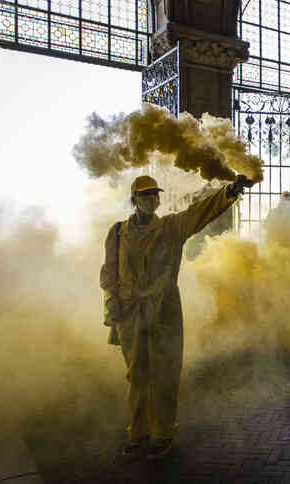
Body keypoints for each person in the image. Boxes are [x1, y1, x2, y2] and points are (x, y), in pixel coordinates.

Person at [100, 174, 252, 460]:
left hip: (164, 311)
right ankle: (138, 433)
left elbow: (199, 212)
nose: (152, 199)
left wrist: (229, 191)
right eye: (145, 195)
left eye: (154, 195)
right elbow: (109, 273)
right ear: (134, 200)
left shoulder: (172, 227)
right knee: (137, 375)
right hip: (131, 312)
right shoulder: (117, 232)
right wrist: (112, 307)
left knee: (165, 374)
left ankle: (163, 435)